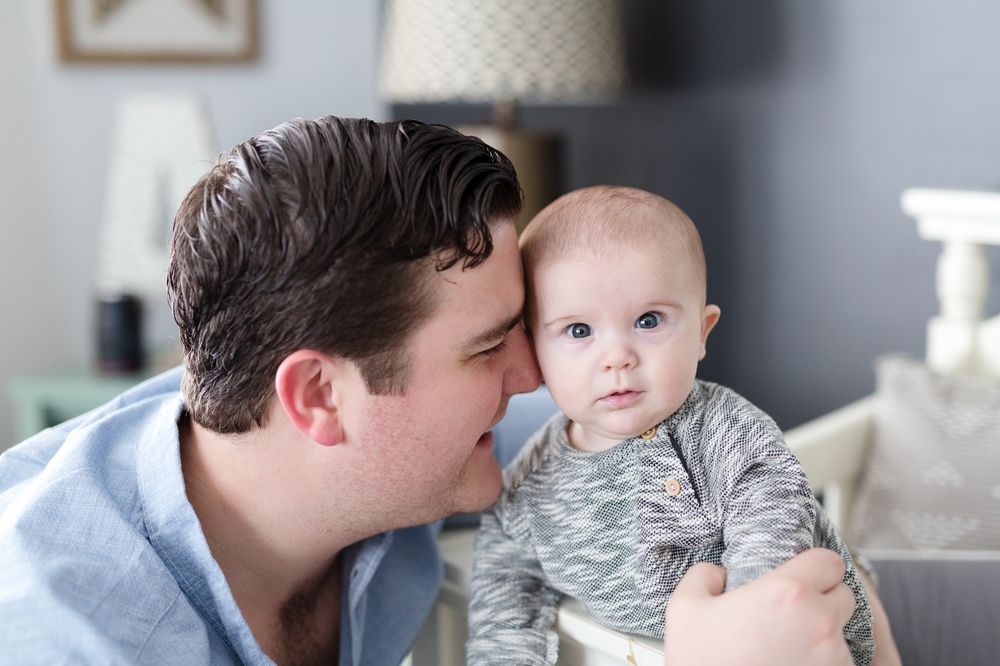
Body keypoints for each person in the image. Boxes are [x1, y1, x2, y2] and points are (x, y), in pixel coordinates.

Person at [0, 117, 865, 666]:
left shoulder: (303, 443)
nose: (531, 378)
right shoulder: (67, 637)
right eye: (492, 347)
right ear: (319, 400)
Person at [467, 186, 876, 666]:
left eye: (648, 320)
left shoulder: (726, 431)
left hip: (796, 641)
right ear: (534, 349)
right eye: (579, 331)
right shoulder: (528, 485)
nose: (617, 357)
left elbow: (773, 524)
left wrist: (742, 626)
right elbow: (503, 596)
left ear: (702, 333)